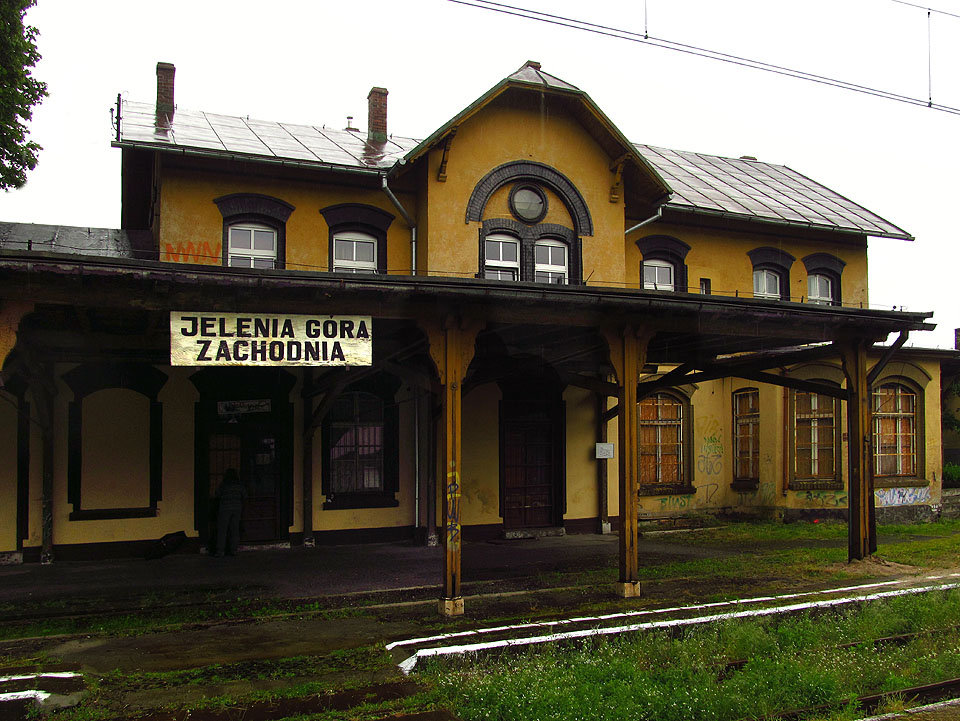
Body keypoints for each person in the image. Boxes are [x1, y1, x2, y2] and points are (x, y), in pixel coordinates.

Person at [215, 468, 245, 557]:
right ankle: (233, 549)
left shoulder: (224, 485)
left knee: (222, 530)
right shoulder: (239, 485)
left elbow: (217, 494)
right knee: (234, 529)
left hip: (224, 509)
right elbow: (245, 495)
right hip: (237, 509)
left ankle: (220, 551)